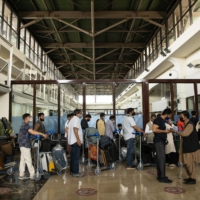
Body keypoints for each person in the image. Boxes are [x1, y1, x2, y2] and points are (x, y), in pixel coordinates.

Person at [19, 113, 48, 180]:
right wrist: (42, 134)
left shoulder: (24, 124)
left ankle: (21, 175)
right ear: (26, 118)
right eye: (29, 117)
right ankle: (32, 174)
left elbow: (31, 132)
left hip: (23, 144)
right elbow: (33, 132)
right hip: (25, 145)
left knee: (23, 160)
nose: (31, 118)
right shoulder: (25, 125)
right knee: (28, 160)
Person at [174, 111, 200, 184]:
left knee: (189, 163)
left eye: (181, 116)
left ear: (185, 117)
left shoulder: (190, 125)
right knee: (186, 163)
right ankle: (189, 176)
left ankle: (193, 178)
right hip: (187, 146)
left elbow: (184, 134)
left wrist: (175, 132)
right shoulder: (186, 124)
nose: (180, 117)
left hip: (190, 147)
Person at [152, 108, 172, 183]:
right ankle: (162, 177)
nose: (169, 116)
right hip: (159, 141)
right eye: (169, 115)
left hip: (161, 141)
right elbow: (154, 129)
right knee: (161, 158)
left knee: (160, 158)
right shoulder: (158, 120)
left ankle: (160, 175)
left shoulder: (162, 121)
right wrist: (164, 131)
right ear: (166, 114)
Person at [67, 109, 84, 177]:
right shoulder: (76, 119)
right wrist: (78, 139)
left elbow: (68, 128)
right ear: (77, 113)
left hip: (72, 141)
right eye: (81, 113)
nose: (81, 114)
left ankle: (72, 171)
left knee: (73, 157)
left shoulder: (72, 120)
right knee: (76, 157)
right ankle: (76, 172)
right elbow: (75, 129)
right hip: (75, 141)